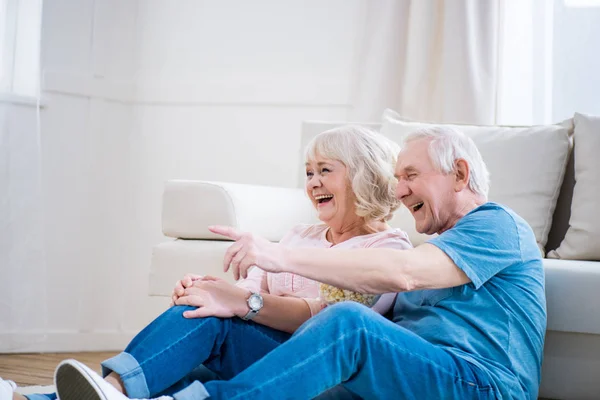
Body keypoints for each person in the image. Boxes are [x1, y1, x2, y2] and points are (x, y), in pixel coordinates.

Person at [53, 125, 546, 399]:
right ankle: (94, 392)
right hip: (405, 378)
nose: (398, 191)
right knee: (214, 323)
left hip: (481, 385)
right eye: (396, 178)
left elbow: (404, 275)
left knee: (348, 323)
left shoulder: (497, 225)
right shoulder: (435, 243)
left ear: (459, 173)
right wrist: (232, 299)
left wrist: (273, 255)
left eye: (411, 175)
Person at [3, 125, 412, 400]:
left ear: (363, 176)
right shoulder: (300, 237)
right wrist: (215, 291)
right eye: (308, 173)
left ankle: (112, 389)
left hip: (307, 368)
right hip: (263, 349)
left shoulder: (388, 252)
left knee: (212, 324)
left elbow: (323, 323)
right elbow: (252, 290)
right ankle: (45, 395)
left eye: (326, 171)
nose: (313, 182)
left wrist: (238, 305)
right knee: (200, 318)